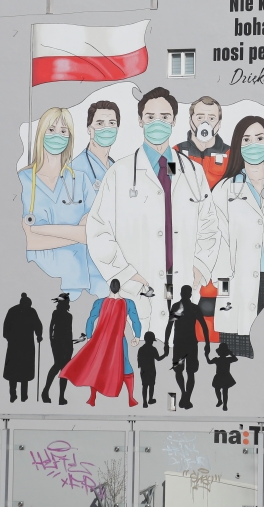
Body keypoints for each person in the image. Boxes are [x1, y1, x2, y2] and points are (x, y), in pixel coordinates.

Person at [86, 87, 220, 340]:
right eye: (150, 117)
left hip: (182, 284)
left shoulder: (191, 173)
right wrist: (126, 274)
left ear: (174, 121)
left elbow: (209, 225)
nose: (157, 123)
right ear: (140, 121)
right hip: (139, 285)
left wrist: (200, 267)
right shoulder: (120, 173)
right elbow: (98, 229)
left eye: (164, 117)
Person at [212, 116, 264, 359]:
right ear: (237, 145)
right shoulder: (225, 190)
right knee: (239, 358)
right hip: (238, 286)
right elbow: (216, 240)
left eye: (259, 138)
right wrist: (224, 286)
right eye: (246, 139)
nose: (253, 144)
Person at [19, 107, 99, 300]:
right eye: (51, 130)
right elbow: (25, 241)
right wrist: (77, 234)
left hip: (75, 284)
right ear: (41, 134)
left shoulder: (80, 181)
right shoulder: (22, 180)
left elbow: (94, 234)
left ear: (70, 138)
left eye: (64, 131)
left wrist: (39, 230)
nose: (58, 136)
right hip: (34, 281)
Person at [173, 96, 230, 345]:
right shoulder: (176, 154)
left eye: (211, 118)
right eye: (200, 117)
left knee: (213, 303)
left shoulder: (230, 156)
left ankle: (212, 348)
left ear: (218, 123)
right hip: (185, 239)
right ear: (191, 120)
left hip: (219, 243)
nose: (205, 122)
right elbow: (169, 189)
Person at [60, 278, 141, 407]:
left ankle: (94, 397)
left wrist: (89, 336)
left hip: (103, 339)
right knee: (123, 365)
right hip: (116, 339)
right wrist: (137, 336)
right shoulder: (128, 303)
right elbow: (135, 320)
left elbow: (91, 319)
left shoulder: (100, 302)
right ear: (119, 288)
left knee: (98, 365)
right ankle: (129, 398)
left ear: (110, 288)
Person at [163, 285, 210, 409]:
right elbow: (204, 327)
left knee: (184, 371)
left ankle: (185, 395)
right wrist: (207, 345)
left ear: (181, 293)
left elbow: (169, 326)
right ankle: (186, 396)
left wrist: (166, 344)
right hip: (188, 344)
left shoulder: (181, 307)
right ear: (189, 294)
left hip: (181, 344)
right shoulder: (192, 308)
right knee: (188, 372)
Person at [71, 100, 120, 192]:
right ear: (89, 129)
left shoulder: (115, 167)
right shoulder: (75, 168)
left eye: (112, 123)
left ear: (117, 129)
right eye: (100, 123)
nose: (106, 128)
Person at [3, 293, 43, 402]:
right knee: (18, 372)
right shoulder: (20, 311)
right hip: (20, 345)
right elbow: (6, 328)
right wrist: (38, 335)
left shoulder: (26, 311)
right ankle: (17, 395)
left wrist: (39, 335)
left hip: (21, 345)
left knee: (20, 372)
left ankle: (20, 396)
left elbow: (37, 325)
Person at [41, 293, 73, 405]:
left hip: (66, 345)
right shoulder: (56, 313)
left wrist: (70, 348)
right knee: (58, 366)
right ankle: (45, 392)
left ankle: (61, 397)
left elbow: (69, 333)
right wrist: (52, 342)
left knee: (64, 370)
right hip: (58, 344)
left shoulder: (70, 316)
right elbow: (51, 328)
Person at [136, 331, 168, 408]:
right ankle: (150, 399)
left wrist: (141, 366)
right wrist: (165, 354)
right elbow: (158, 358)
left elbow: (139, 360)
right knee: (151, 385)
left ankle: (145, 402)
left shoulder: (141, 349)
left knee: (144, 386)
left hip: (143, 370)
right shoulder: (153, 349)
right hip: (151, 370)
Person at [206, 342, 237, 411]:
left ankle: (224, 404)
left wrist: (206, 356)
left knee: (223, 390)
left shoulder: (225, 359)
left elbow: (235, 359)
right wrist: (206, 356)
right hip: (221, 376)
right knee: (219, 389)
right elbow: (209, 362)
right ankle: (220, 401)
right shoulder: (219, 359)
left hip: (224, 376)